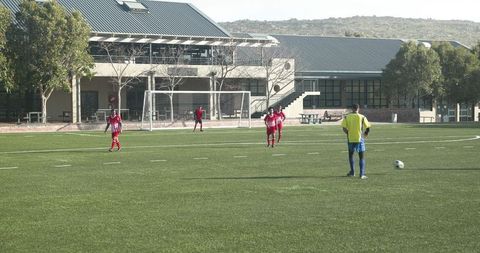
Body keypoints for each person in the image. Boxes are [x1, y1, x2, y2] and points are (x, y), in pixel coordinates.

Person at [341, 104, 371, 179]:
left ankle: (352, 172)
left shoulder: (347, 117)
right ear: (358, 108)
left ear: (352, 109)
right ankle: (362, 174)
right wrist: (366, 133)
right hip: (359, 139)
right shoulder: (362, 117)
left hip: (350, 139)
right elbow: (368, 127)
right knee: (361, 157)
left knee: (351, 155)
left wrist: (348, 133)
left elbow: (344, 128)